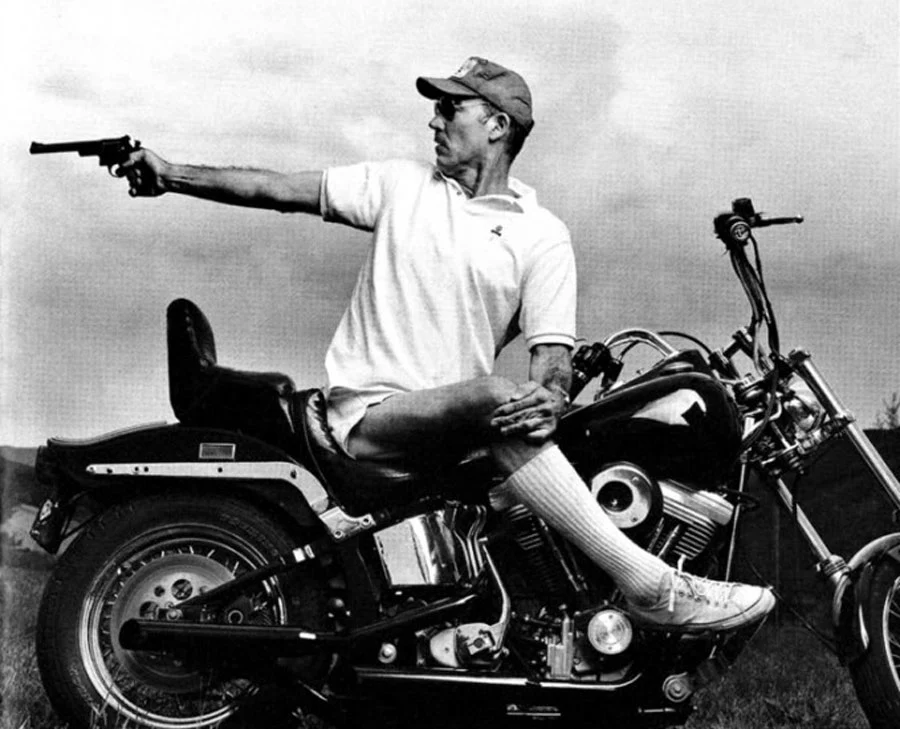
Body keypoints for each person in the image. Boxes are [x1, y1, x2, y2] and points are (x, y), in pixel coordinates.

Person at [118, 56, 774, 633]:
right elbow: (279, 189)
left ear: (496, 125)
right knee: (495, 397)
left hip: (452, 436)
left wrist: (549, 399)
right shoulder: (401, 186)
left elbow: (551, 363)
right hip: (365, 419)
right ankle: (652, 586)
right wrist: (172, 174)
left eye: (449, 108)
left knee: (529, 415)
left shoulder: (541, 235)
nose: (433, 120)